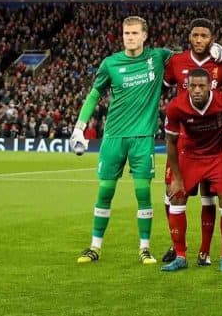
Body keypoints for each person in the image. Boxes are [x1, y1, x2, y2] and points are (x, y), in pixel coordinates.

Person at [71, 16, 172, 264]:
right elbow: (95, 94)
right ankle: (95, 247)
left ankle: (144, 248)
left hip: (142, 137)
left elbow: (189, 57)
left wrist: (215, 51)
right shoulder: (110, 63)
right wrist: (79, 128)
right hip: (113, 136)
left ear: (145, 36)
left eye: (135, 33)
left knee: (142, 192)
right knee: (105, 191)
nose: (130, 37)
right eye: (126, 33)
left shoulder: (158, 57)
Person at [161, 18, 222, 266]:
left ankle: (205, 250)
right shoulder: (177, 61)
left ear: (212, 38)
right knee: (172, 193)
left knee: (210, 196)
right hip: (184, 139)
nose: (199, 40)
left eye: (204, 36)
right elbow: (163, 83)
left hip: (213, 138)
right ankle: (177, 246)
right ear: (189, 37)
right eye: (195, 35)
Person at [162, 68, 222, 273]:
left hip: (217, 156)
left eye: (201, 86)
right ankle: (180, 256)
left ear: (210, 86)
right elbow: (170, 143)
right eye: (192, 86)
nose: (196, 90)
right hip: (190, 155)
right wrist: (176, 178)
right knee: (177, 198)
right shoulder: (176, 106)